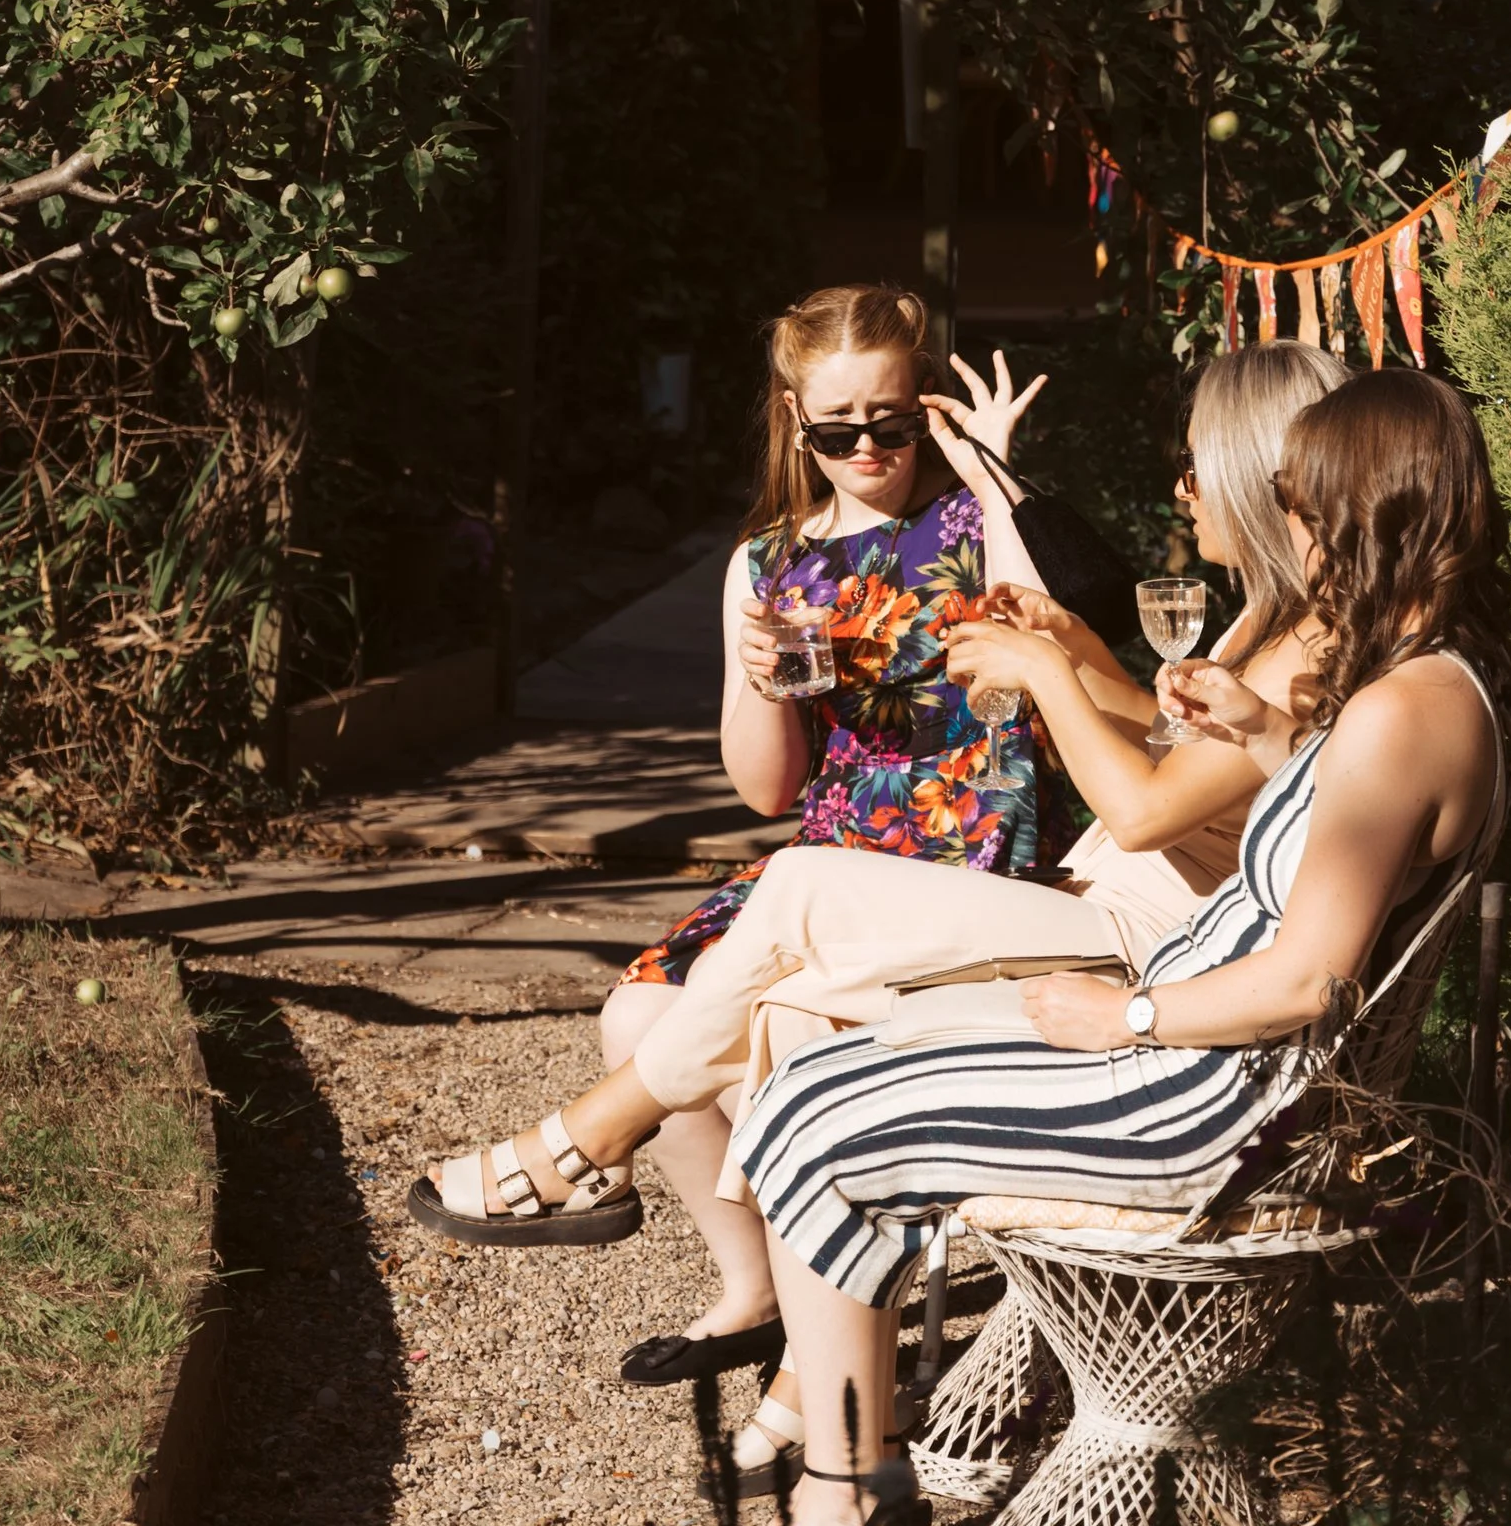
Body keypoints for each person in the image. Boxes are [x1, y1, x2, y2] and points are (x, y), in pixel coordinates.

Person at [410, 335, 1344, 1474]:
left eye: (1198, 464)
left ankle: (579, 1142)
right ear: (793, 421)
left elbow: (1149, 807)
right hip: (1094, 895)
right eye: (833, 427)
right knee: (788, 1012)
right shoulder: (1259, 624)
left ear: (1261, 473)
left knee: (796, 896)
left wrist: (1043, 640)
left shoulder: (1302, 646)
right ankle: (817, 1385)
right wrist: (1072, 652)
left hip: (1123, 926)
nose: (1181, 485)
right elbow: (1155, 745)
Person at [709, 369, 1511, 1526]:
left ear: (1366, 516)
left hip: (1204, 1102)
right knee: (814, 1080)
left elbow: (1308, 975)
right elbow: (1337, 824)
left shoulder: (1403, 713)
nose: (1289, 531)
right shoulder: (1425, 684)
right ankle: (852, 1469)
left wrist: (1124, 1017)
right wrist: (1255, 731)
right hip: (1209, 1065)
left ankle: (843, 1487)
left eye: (1304, 506)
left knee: (811, 1123)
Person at [406, 283, 1129, 1347]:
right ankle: (753, 1291)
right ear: (797, 419)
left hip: (983, 840)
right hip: (838, 843)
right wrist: (757, 677)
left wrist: (989, 466)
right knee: (636, 1017)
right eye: (839, 429)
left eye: (891, 419)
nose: (869, 446)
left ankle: (824, 1312)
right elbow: (764, 790)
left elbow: (1055, 658)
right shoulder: (773, 561)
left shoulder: (983, 517)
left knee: (783, 1039)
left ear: (926, 399)